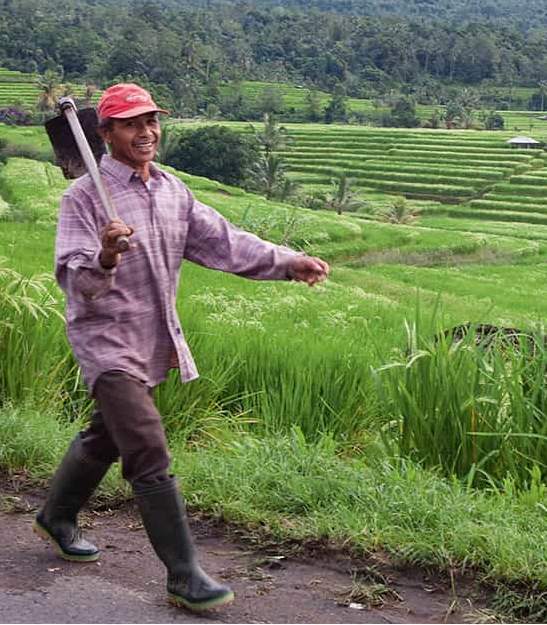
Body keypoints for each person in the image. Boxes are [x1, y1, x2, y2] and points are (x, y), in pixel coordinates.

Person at [35, 82, 329, 612]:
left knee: (108, 435)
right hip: (106, 340)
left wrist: (289, 262)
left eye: (151, 122)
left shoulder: (173, 192)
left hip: (152, 336)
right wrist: (104, 255)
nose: (146, 132)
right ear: (105, 134)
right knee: (146, 445)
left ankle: (56, 516)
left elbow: (227, 243)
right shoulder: (83, 198)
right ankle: (184, 575)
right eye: (130, 124)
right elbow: (73, 281)